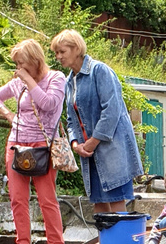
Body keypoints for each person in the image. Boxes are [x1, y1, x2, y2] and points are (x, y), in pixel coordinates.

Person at [51, 29, 143, 215]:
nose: (58, 57)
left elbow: (112, 110)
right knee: (99, 204)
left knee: (117, 202)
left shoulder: (99, 71)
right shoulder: (70, 81)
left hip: (111, 149)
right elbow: (70, 119)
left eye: (62, 51)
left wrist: (93, 141)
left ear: (76, 49)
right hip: (89, 152)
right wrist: (75, 143)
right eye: (56, 53)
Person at [0, 38, 67, 244]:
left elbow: (48, 104)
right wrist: (8, 115)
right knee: (17, 197)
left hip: (42, 144)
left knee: (46, 196)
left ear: (36, 60)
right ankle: (22, 242)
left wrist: (29, 82)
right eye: (16, 64)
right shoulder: (17, 82)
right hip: (17, 142)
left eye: (22, 63)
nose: (19, 68)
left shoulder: (55, 78)